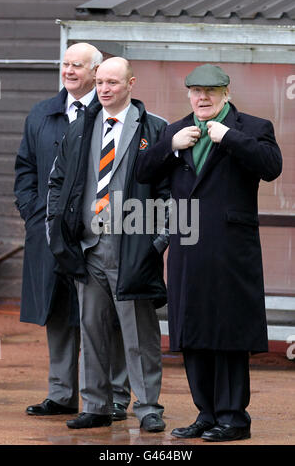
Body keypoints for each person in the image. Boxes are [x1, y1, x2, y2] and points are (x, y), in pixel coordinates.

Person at [136, 64, 282, 441]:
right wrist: (170, 146)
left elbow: (271, 167)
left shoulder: (252, 127)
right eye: (196, 91)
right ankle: (206, 413)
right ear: (188, 94)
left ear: (226, 92)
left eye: (210, 92)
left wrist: (229, 137)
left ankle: (234, 418)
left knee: (229, 331)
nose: (202, 98)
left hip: (230, 248)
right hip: (187, 245)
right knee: (192, 330)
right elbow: (142, 171)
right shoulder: (175, 130)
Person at [46, 57, 169, 432]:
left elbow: (168, 191)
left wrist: (158, 242)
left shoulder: (154, 127)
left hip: (133, 249)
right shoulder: (80, 127)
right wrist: (57, 230)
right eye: (100, 82)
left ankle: (147, 407)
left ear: (131, 83)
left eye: (113, 82)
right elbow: (58, 181)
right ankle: (96, 405)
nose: (104, 89)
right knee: (92, 331)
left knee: (139, 334)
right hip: (87, 248)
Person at [14, 43, 130, 420]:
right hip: (52, 235)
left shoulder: (110, 115)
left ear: (96, 72)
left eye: (77, 66)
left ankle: (114, 396)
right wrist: (36, 216)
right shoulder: (42, 114)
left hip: (99, 236)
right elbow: (25, 170)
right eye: (65, 64)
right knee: (59, 313)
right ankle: (62, 394)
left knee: (105, 318)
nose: (68, 71)